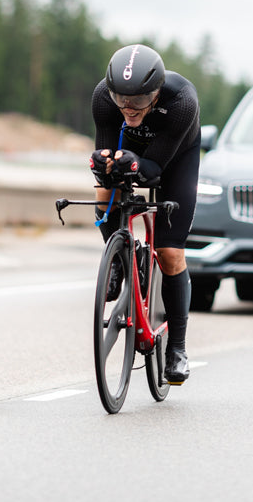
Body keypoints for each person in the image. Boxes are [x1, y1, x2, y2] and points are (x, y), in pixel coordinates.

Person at [89, 43, 201, 385]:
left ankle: (177, 349)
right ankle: (120, 260)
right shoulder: (104, 98)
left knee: (169, 253)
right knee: (106, 189)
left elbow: (154, 171)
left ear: (155, 92)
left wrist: (135, 164)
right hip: (133, 150)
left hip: (175, 155)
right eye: (121, 99)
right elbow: (107, 149)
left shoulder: (181, 101)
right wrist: (103, 166)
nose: (128, 107)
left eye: (138, 101)